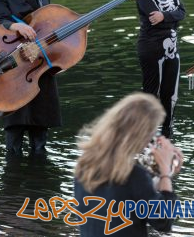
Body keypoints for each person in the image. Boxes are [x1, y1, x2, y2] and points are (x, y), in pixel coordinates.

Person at [74, 92, 184, 236]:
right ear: (140, 134)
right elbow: (164, 222)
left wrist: (165, 174)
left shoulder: (84, 165)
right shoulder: (134, 176)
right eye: (152, 132)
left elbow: (132, 194)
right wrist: (164, 172)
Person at [0, 0, 61, 155]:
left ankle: (39, 177)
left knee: (40, 134)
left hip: (41, 65)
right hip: (16, 67)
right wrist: (16, 26)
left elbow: (49, 25)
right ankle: (13, 178)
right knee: (14, 136)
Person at [136, 0, 186, 138]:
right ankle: (145, 133)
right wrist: (170, 18)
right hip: (151, 47)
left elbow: (181, 12)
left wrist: (165, 15)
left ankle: (167, 132)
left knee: (170, 92)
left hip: (172, 45)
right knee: (151, 92)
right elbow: (153, 20)